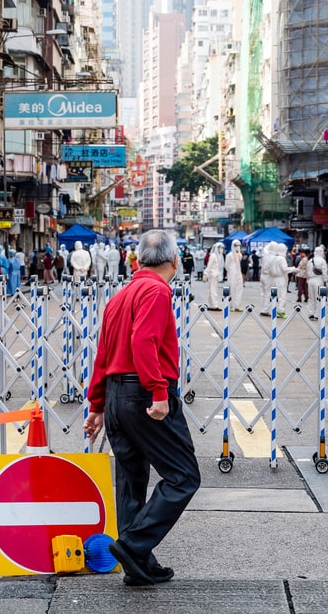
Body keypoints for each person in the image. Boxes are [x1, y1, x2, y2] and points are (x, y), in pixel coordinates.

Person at [83, 230, 200, 586]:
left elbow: (103, 353)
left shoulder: (120, 296)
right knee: (183, 476)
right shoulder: (156, 291)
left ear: (136, 261)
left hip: (119, 395)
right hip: (144, 393)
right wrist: (159, 392)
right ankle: (133, 546)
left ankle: (139, 564)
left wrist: (98, 405)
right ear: (175, 261)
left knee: (131, 481)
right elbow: (144, 341)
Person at [259, 242, 297, 318]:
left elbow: (265, 248)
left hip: (269, 277)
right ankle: (279, 311)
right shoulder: (278, 258)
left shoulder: (269, 255)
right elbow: (284, 269)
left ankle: (265, 309)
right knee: (280, 295)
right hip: (275, 278)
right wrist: (294, 269)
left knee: (267, 294)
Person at [307, 246, 328, 319]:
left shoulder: (310, 260)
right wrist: (326, 281)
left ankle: (311, 312)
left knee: (311, 297)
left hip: (311, 280)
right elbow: (325, 272)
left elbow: (308, 271)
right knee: (318, 297)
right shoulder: (322, 261)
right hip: (319, 280)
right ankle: (317, 314)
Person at [225, 240, 246, 311]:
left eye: (239, 246)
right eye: (236, 246)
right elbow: (226, 266)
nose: (238, 247)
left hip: (238, 273)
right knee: (232, 289)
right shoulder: (229, 255)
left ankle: (237, 305)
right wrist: (230, 272)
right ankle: (231, 305)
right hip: (232, 274)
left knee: (239, 289)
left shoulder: (240, 255)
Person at [203, 242, 225, 310]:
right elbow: (209, 266)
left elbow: (220, 267)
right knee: (213, 291)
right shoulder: (213, 256)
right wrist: (206, 275)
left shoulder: (220, 256)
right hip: (212, 275)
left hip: (216, 275)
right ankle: (214, 305)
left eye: (222, 248)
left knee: (212, 290)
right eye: (220, 248)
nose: (222, 249)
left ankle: (210, 304)